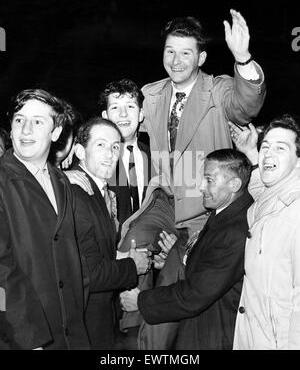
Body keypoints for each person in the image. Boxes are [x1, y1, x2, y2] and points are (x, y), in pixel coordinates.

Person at [140, 9, 266, 235]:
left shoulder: (218, 90)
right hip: (163, 207)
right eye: (170, 52)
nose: (176, 61)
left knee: (179, 270)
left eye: (185, 53)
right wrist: (74, 143)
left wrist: (242, 57)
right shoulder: (150, 95)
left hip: (206, 211)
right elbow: (123, 126)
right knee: (132, 248)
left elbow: (246, 107)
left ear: (201, 58)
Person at [120, 148, 253, 350]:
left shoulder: (236, 230)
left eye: (209, 180)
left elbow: (195, 294)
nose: (200, 187)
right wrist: (173, 264)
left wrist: (141, 301)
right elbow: (211, 270)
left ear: (234, 184)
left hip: (213, 337)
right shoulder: (227, 214)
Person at [0, 89, 90, 349]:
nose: (25, 130)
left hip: (70, 335)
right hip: (27, 339)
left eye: (38, 121)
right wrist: (30, 340)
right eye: (19, 120)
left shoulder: (61, 181)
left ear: (56, 132)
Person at [71, 117, 151, 349]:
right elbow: (90, 274)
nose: (110, 154)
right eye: (100, 145)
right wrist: (132, 265)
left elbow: (94, 253)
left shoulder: (98, 191)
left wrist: (122, 257)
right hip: (87, 323)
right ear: (79, 151)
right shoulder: (77, 194)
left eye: (115, 146)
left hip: (101, 316)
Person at [229, 114, 300, 350]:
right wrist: (251, 153)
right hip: (253, 335)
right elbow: (264, 196)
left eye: (281, 148)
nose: (268, 153)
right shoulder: (277, 197)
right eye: (266, 147)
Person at [99, 78, 154, 230]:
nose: (123, 114)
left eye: (130, 106)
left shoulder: (155, 157)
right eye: (115, 108)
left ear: (141, 114)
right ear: (105, 116)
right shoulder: (93, 159)